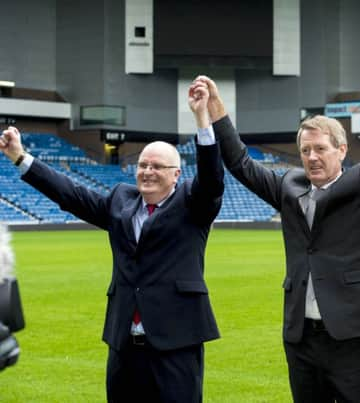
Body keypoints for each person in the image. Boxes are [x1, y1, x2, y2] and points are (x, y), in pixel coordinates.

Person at [190, 60, 360, 402]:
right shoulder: (289, 188)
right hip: (302, 339)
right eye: (305, 150)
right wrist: (217, 111)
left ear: (342, 150)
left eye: (320, 149)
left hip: (352, 336)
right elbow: (240, 164)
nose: (311, 157)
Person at [0, 83, 224, 402]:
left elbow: (212, 178)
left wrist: (202, 117)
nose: (147, 171)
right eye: (143, 165)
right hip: (124, 346)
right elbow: (71, 195)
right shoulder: (121, 200)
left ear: (176, 175)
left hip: (175, 345)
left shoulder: (192, 204)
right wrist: (20, 157)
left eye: (156, 167)